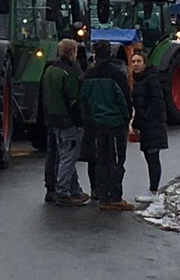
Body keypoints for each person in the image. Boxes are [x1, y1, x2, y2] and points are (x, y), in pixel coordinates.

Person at [81, 41, 134, 210]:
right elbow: (124, 99)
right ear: (109, 53)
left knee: (100, 160)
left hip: (95, 124)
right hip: (115, 123)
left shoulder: (88, 75)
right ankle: (114, 197)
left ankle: (102, 195)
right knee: (116, 160)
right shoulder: (116, 74)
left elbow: (84, 101)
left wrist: (88, 119)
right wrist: (126, 118)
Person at [41, 38, 89, 205]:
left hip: (52, 119)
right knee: (69, 157)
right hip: (67, 120)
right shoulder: (68, 73)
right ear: (72, 52)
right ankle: (63, 191)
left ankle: (75, 190)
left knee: (64, 155)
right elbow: (73, 100)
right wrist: (80, 120)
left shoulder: (49, 70)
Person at [130, 46, 169, 195]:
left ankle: (153, 191)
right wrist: (136, 123)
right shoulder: (139, 80)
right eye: (133, 61)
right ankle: (153, 189)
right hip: (147, 125)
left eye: (138, 61)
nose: (135, 64)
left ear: (145, 63)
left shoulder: (151, 79)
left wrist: (145, 117)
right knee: (149, 157)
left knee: (153, 157)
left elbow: (157, 101)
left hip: (153, 125)